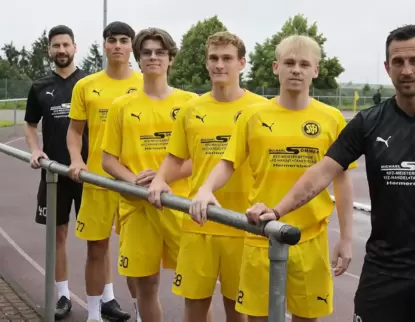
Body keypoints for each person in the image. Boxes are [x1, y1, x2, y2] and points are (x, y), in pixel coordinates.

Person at [247, 25, 415, 322]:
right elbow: (322, 172)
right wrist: (277, 211)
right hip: (383, 270)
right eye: (398, 62)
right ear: (387, 67)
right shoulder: (368, 123)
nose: (406, 70)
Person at [189, 34, 355, 322]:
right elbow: (228, 162)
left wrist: (347, 239)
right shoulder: (252, 116)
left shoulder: (331, 118)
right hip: (260, 234)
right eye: (289, 62)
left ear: (315, 70)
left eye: (304, 64)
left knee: (306, 317)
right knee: (258, 318)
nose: (296, 69)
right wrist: (205, 189)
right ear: (276, 67)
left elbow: (342, 181)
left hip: (310, 237)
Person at [147, 31, 267, 322]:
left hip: (243, 224)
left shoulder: (261, 109)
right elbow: (175, 156)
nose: (219, 64)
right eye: (213, 58)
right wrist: (160, 178)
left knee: (238, 309)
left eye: (227, 58)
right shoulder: (191, 109)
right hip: (199, 220)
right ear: (206, 63)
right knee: (195, 305)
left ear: (242, 63)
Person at [101, 27, 198, 321]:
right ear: (138, 59)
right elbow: (108, 160)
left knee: (195, 289)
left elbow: (201, 158)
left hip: (181, 206)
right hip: (137, 206)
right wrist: (136, 182)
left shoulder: (191, 103)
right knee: (146, 285)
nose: (153, 57)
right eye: (147, 52)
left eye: (160, 52)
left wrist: (163, 178)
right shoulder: (121, 106)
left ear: (170, 59)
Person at [67, 21, 143, 322]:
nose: (118, 46)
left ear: (131, 47)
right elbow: (74, 132)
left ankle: (141, 313)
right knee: (96, 250)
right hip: (97, 180)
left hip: (133, 184)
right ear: (104, 45)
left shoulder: (144, 83)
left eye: (124, 40)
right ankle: (95, 314)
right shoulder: (86, 86)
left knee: (136, 255)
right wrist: (76, 159)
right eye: (112, 40)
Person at [24, 25, 88, 320]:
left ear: (75, 47)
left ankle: (106, 299)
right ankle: (63, 297)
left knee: (98, 239)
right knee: (58, 235)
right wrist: (35, 150)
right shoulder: (39, 87)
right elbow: (30, 125)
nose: (61, 50)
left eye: (66, 45)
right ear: (49, 50)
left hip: (89, 173)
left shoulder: (89, 83)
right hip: (55, 173)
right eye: (55, 46)